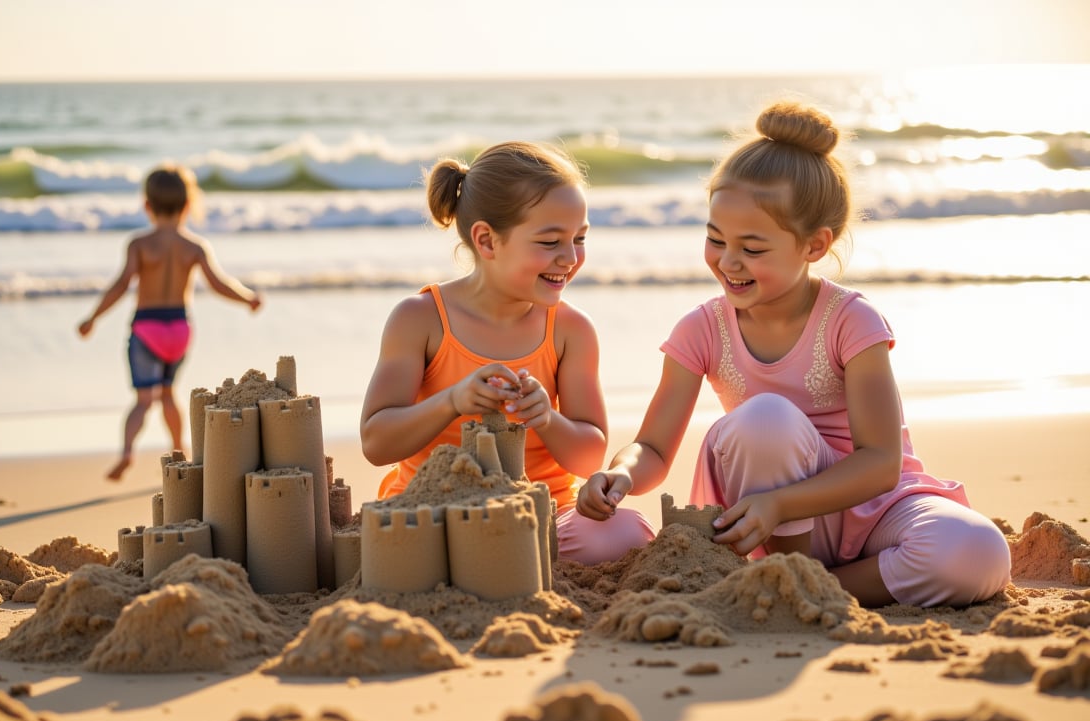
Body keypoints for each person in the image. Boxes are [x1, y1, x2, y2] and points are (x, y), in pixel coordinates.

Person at [575, 102, 1011, 608]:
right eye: (715, 239)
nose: (728, 261)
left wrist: (784, 501)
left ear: (814, 245)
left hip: (868, 505)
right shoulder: (703, 328)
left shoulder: (851, 320)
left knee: (978, 552)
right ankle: (784, 573)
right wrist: (622, 473)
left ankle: (805, 590)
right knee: (766, 419)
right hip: (760, 514)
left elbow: (880, 464)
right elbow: (651, 448)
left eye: (753, 249)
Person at [361, 141, 655, 565]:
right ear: (487, 241)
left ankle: (507, 561)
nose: (570, 258)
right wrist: (452, 401)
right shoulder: (420, 319)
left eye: (580, 238)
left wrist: (546, 418)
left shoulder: (571, 330)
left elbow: (589, 454)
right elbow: (376, 442)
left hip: (543, 516)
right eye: (550, 241)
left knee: (628, 533)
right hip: (433, 514)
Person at [78, 163, 262, 481]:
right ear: (188, 204)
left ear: (147, 205)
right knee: (167, 393)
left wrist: (93, 317)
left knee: (143, 400)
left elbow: (120, 285)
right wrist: (248, 298)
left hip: (147, 328)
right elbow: (219, 284)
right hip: (179, 330)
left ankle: (126, 453)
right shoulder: (194, 246)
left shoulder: (139, 244)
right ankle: (179, 448)